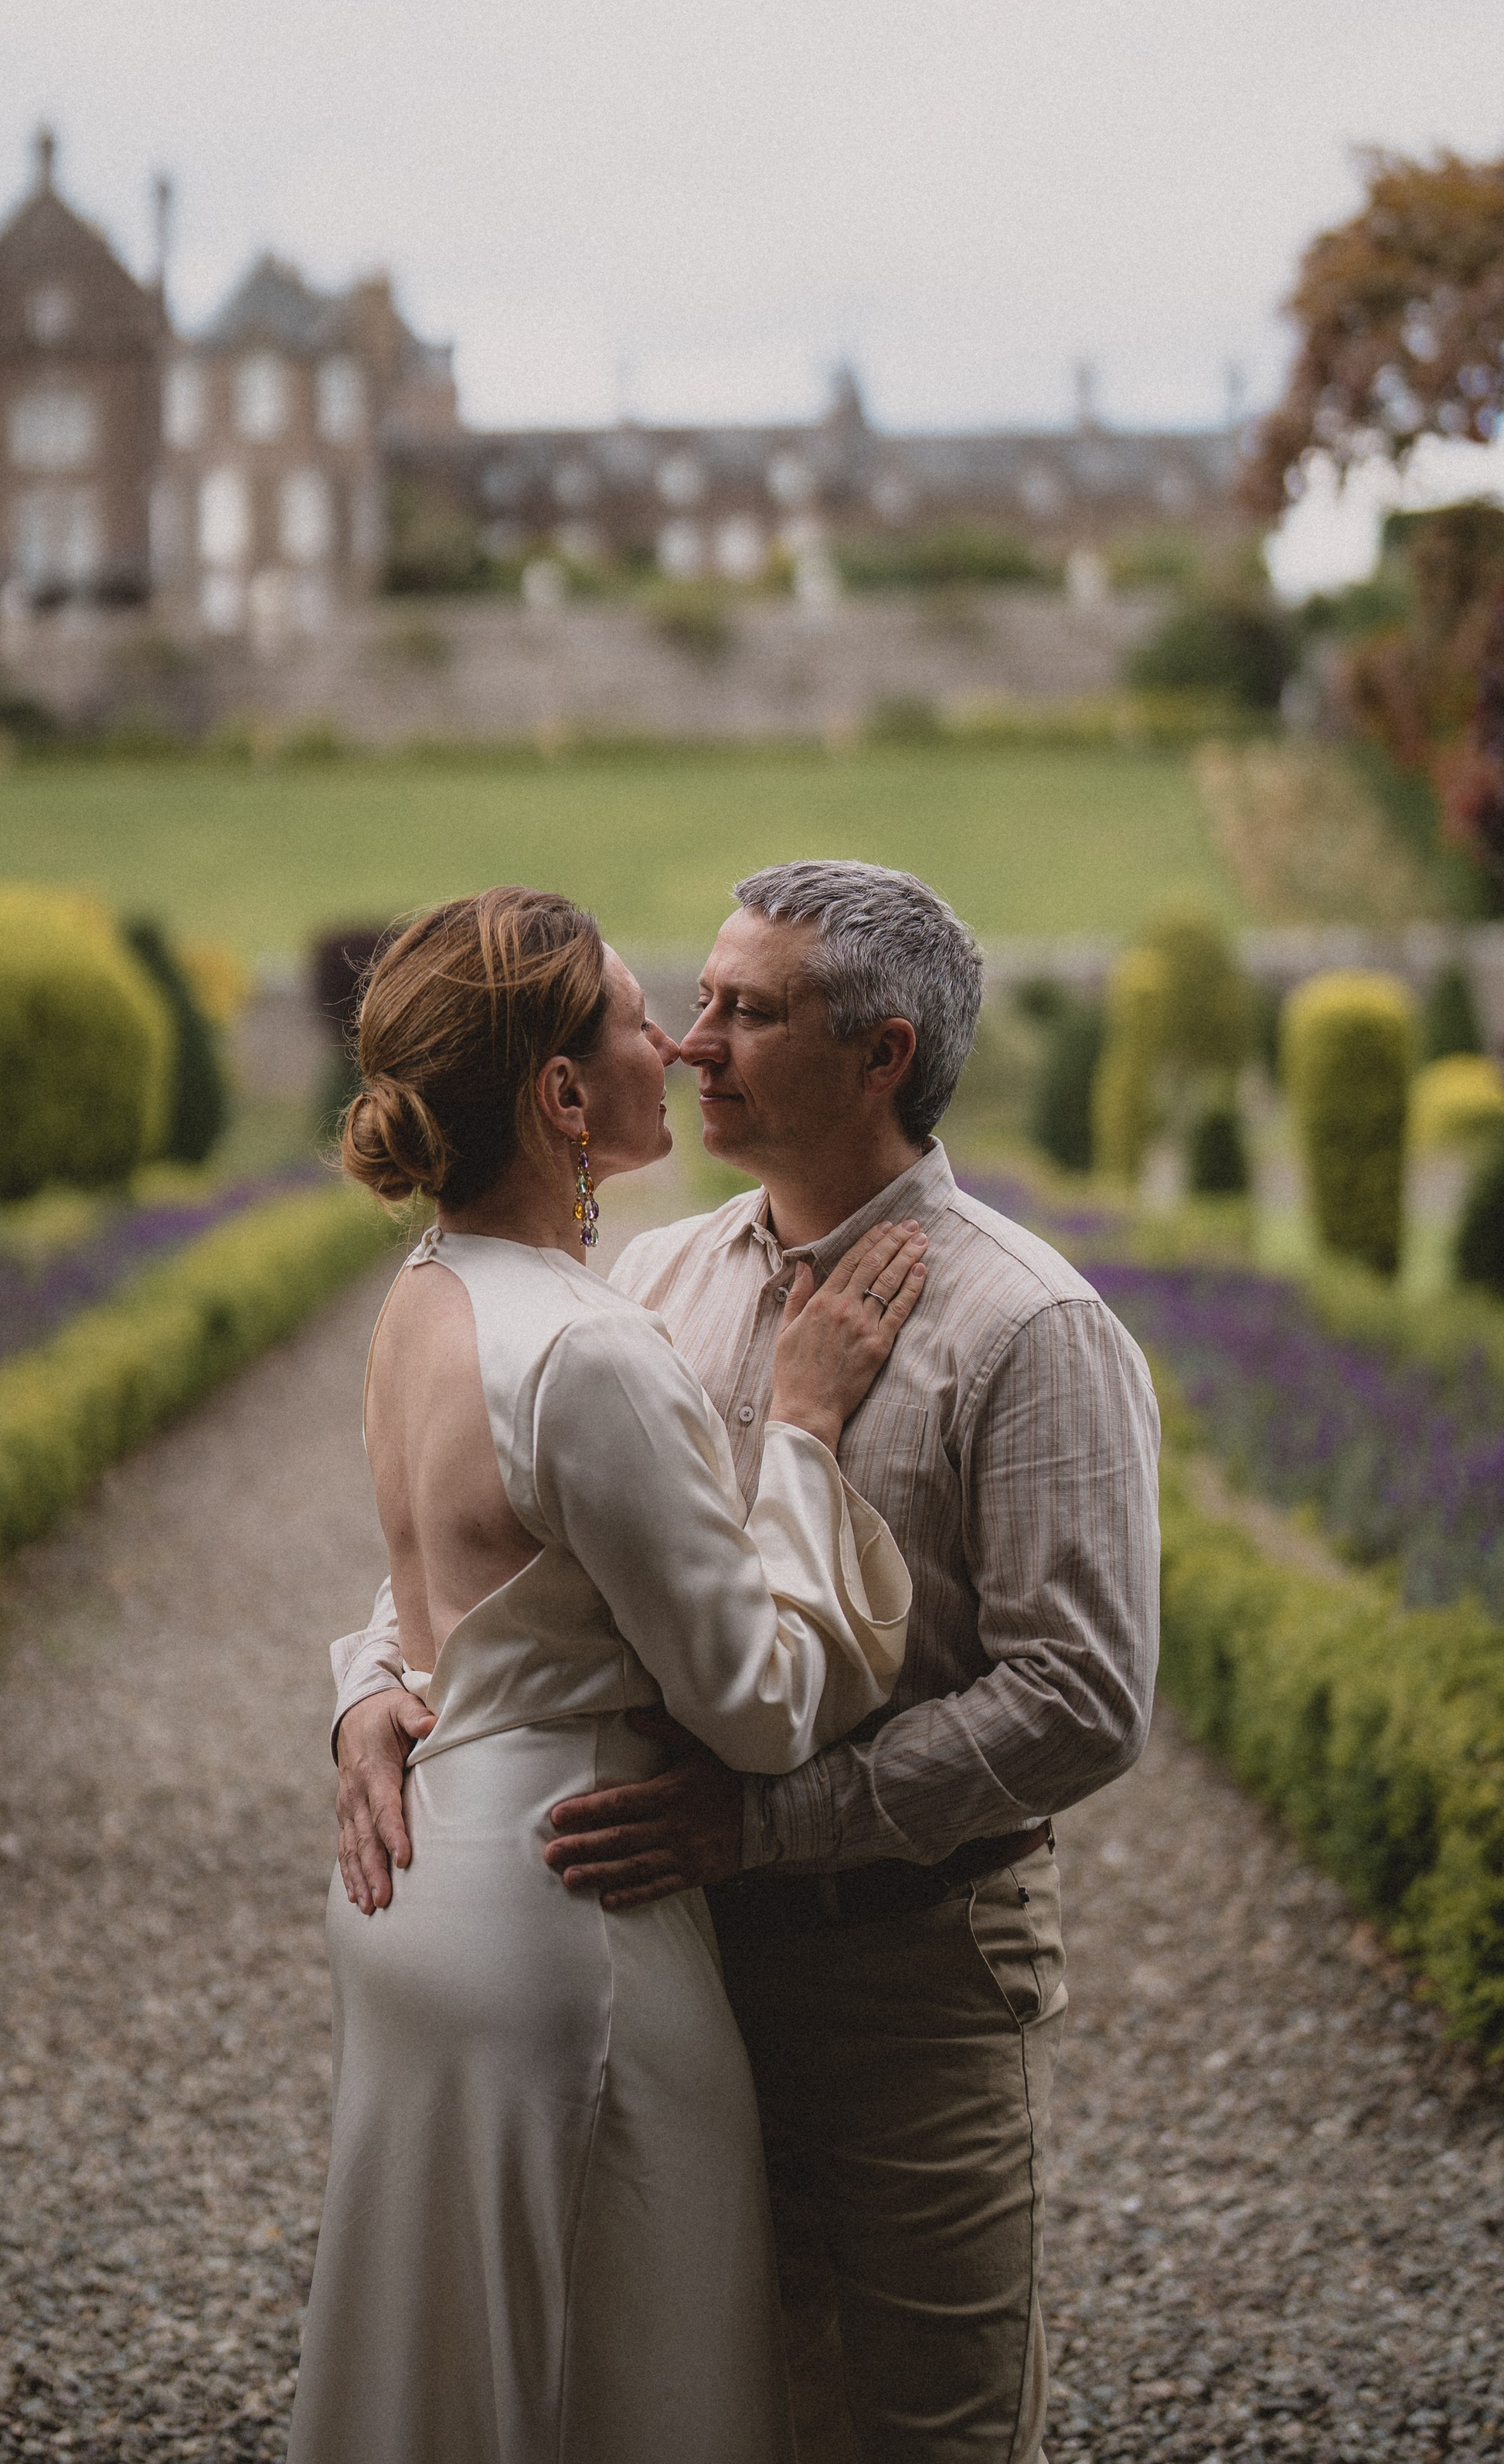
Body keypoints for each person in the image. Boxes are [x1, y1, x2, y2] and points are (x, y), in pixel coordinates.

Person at [335, 860, 1162, 2464]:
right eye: (692, 1005)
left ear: (880, 1053)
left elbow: (1079, 1696)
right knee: (697, 2408)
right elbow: (510, 1552)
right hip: (664, 1942)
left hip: (898, 1979)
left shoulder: (1027, 1328)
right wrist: (367, 1684)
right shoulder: (647, 1284)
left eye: (744, 1011)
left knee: (927, 2426)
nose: (697, 1042)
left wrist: (767, 1827)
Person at [292, 885, 924, 2464]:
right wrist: (799, 1429)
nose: (675, 1042)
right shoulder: (590, 1350)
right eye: (639, 1016)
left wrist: (364, 1692)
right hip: (566, 1924)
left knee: (450, 2378)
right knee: (623, 2379)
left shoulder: (425, 1296)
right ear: (561, 1098)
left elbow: (449, 1585)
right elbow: (760, 1703)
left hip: (420, 1891)